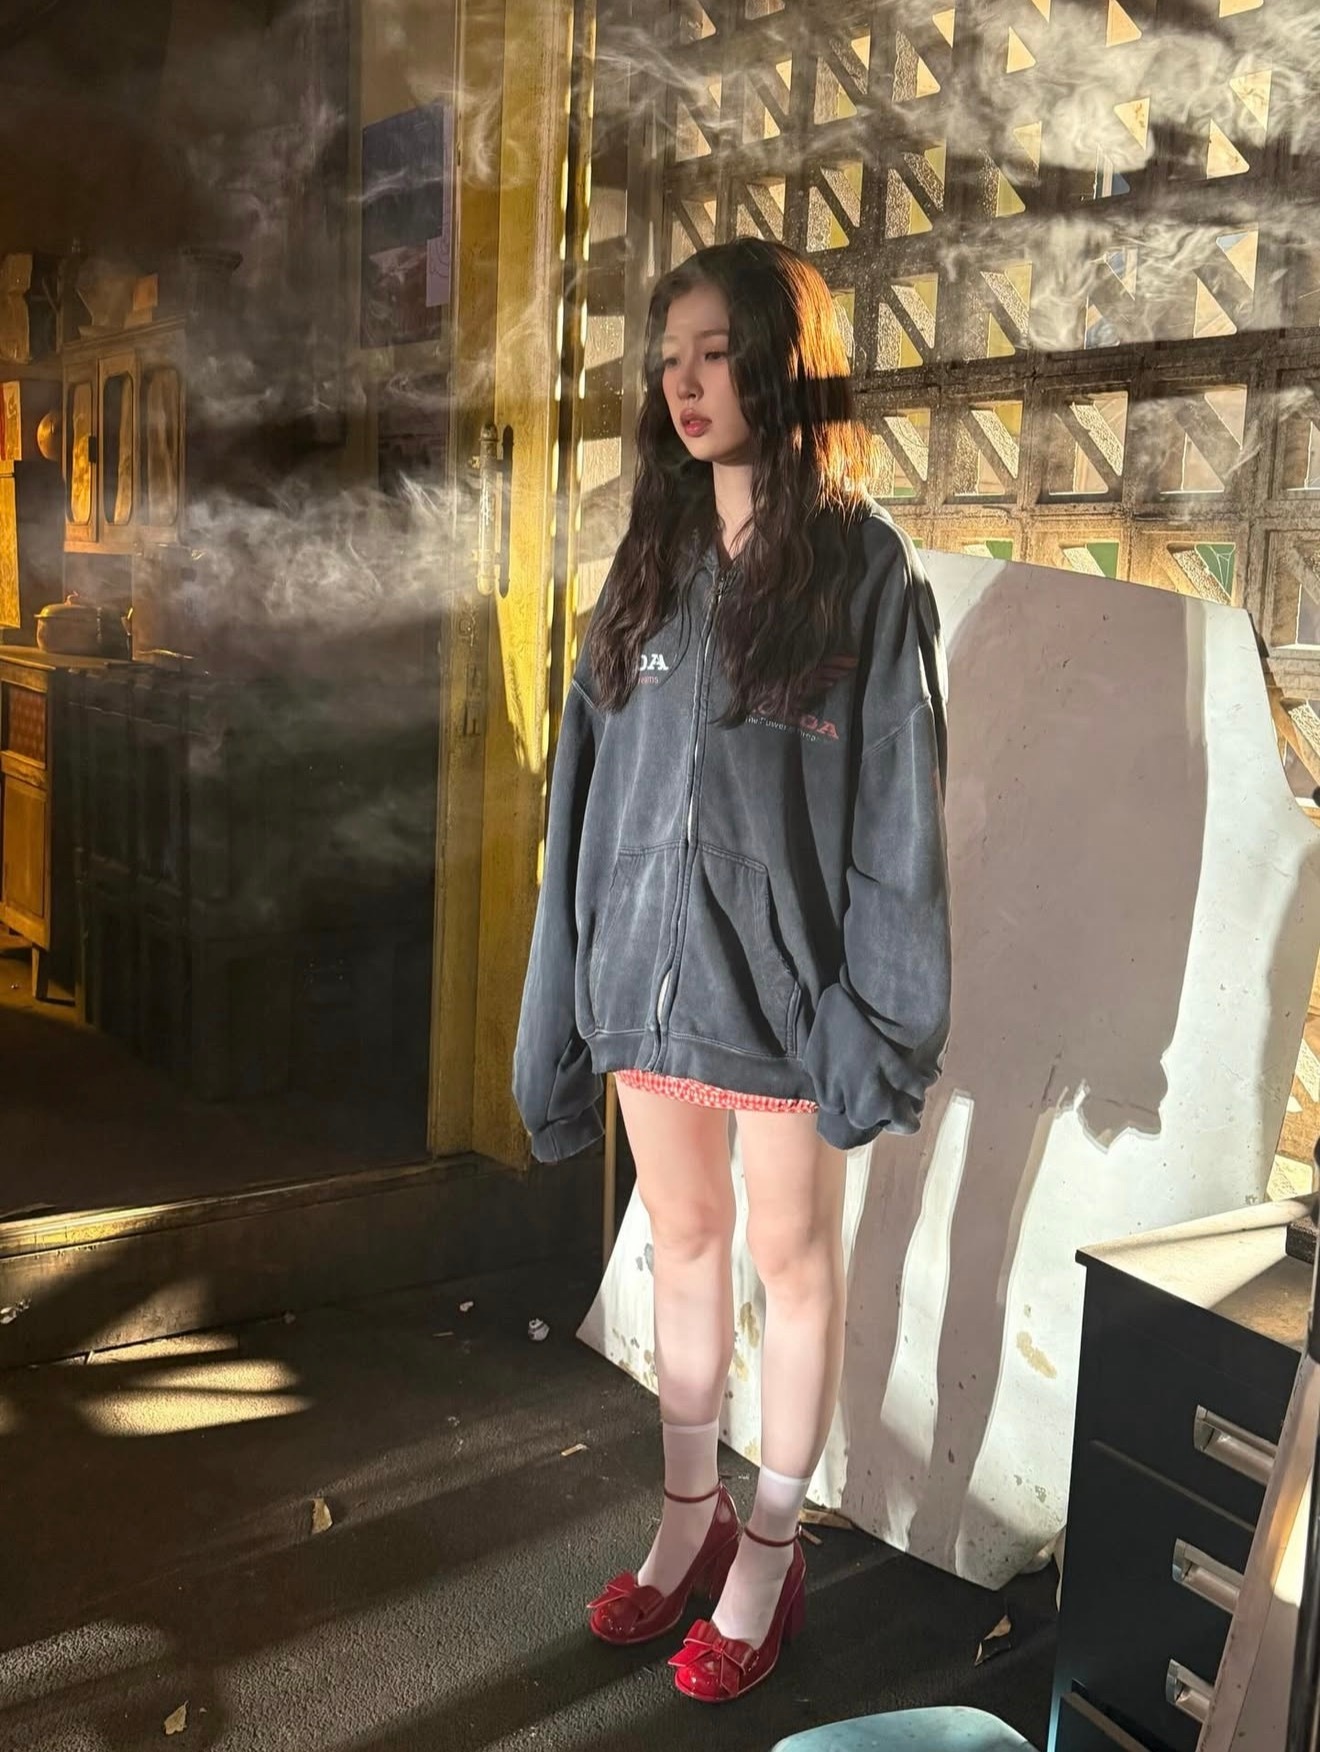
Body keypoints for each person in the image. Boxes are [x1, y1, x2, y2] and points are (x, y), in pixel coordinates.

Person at [512, 237, 951, 1704]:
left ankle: (770, 1547)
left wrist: (878, 1014)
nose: (686, 385)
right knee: (683, 1241)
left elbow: (897, 813)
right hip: (645, 979)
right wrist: (566, 989)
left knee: (790, 1261)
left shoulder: (862, 571)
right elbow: (582, 803)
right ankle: (687, 1515)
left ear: (781, 362)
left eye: (716, 353)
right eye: (671, 359)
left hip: (786, 1001)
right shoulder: (646, 564)